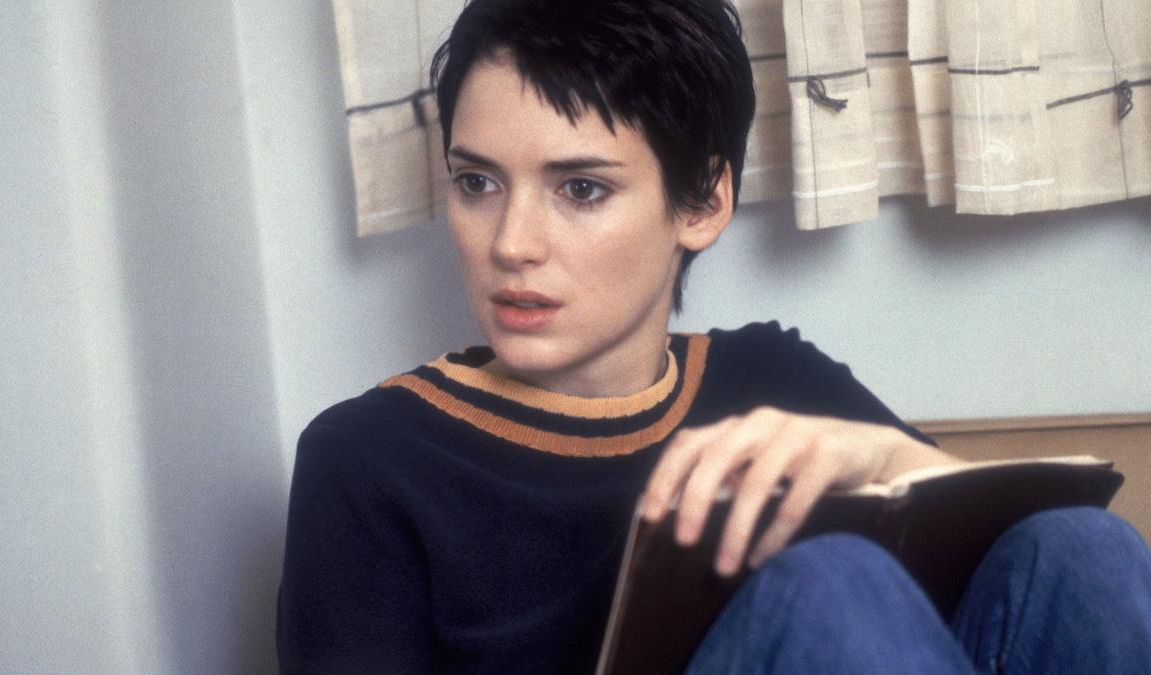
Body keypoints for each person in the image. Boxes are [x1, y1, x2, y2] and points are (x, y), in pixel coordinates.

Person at [276, 0, 1151, 672]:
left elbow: (1026, 587)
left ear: (702, 202)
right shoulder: (369, 458)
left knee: (1083, 545)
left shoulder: (770, 376)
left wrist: (880, 454)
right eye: (477, 182)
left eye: (580, 189)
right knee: (830, 586)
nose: (512, 244)